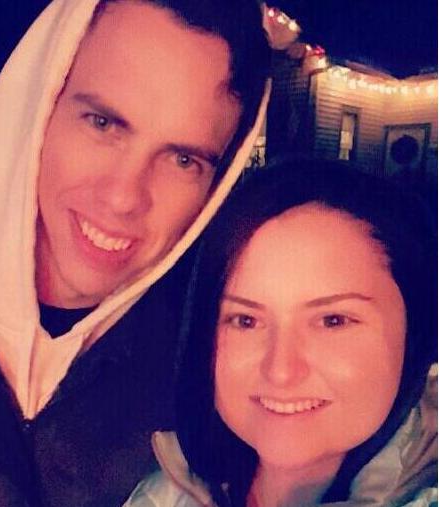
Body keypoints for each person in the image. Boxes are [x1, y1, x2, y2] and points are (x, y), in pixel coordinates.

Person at [0, 0, 271, 505]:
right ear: (38, 99)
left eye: (183, 160)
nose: (123, 197)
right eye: (103, 123)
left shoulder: (204, 384)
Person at [124, 159, 438, 506]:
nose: (281, 371)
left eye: (332, 320)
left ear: (414, 334)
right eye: (246, 320)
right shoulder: (159, 489)